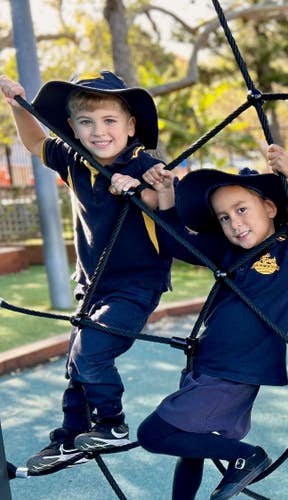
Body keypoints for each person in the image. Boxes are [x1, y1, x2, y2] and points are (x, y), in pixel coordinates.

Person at [136, 144, 288, 500]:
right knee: (190, 449)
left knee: (153, 434)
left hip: (235, 371)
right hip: (206, 363)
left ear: (269, 207)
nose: (234, 222)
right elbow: (175, 242)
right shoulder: (227, 251)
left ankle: (248, 457)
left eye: (241, 209)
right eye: (224, 217)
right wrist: (165, 195)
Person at [0, 71, 172, 473]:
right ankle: (71, 436)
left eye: (110, 121)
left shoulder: (144, 162)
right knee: (76, 366)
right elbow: (35, 142)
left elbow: (169, 205)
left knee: (91, 354)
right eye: (86, 122)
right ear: (73, 127)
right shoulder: (74, 159)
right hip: (91, 284)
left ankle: (112, 424)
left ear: (131, 127)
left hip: (136, 284)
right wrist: (16, 105)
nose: (99, 131)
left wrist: (146, 188)